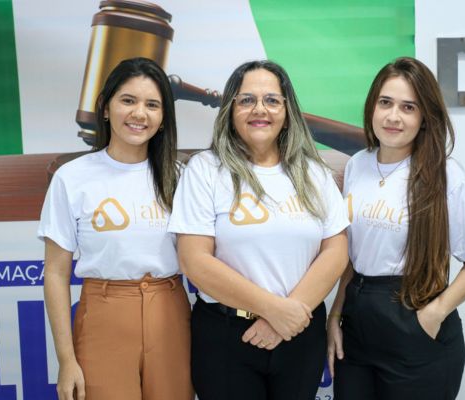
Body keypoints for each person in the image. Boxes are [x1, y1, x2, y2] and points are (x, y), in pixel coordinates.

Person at [168, 60, 349, 400]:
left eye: (272, 100)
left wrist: (288, 315)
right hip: (226, 336)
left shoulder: (314, 173)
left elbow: (336, 250)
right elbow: (194, 260)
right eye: (247, 100)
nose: (260, 109)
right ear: (230, 110)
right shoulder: (205, 170)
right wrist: (273, 310)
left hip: (300, 331)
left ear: (287, 112)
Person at [327, 57, 465, 400]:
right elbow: (353, 257)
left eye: (408, 107)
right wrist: (335, 315)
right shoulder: (357, 165)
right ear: (372, 106)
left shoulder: (444, 174)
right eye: (385, 102)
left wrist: (434, 315)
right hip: (357, 324)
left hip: (415, 323)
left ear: (424, 117)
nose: (393, 116)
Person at [38, 57, 193, 400]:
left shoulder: (181, 177)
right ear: (106, 108)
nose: (139, 113)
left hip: (170, 312)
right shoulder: (72, 178)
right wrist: (66, 360)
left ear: (163, 117)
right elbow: (56, 273)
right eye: (128, 100)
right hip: (103, 315)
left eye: (152, 105)